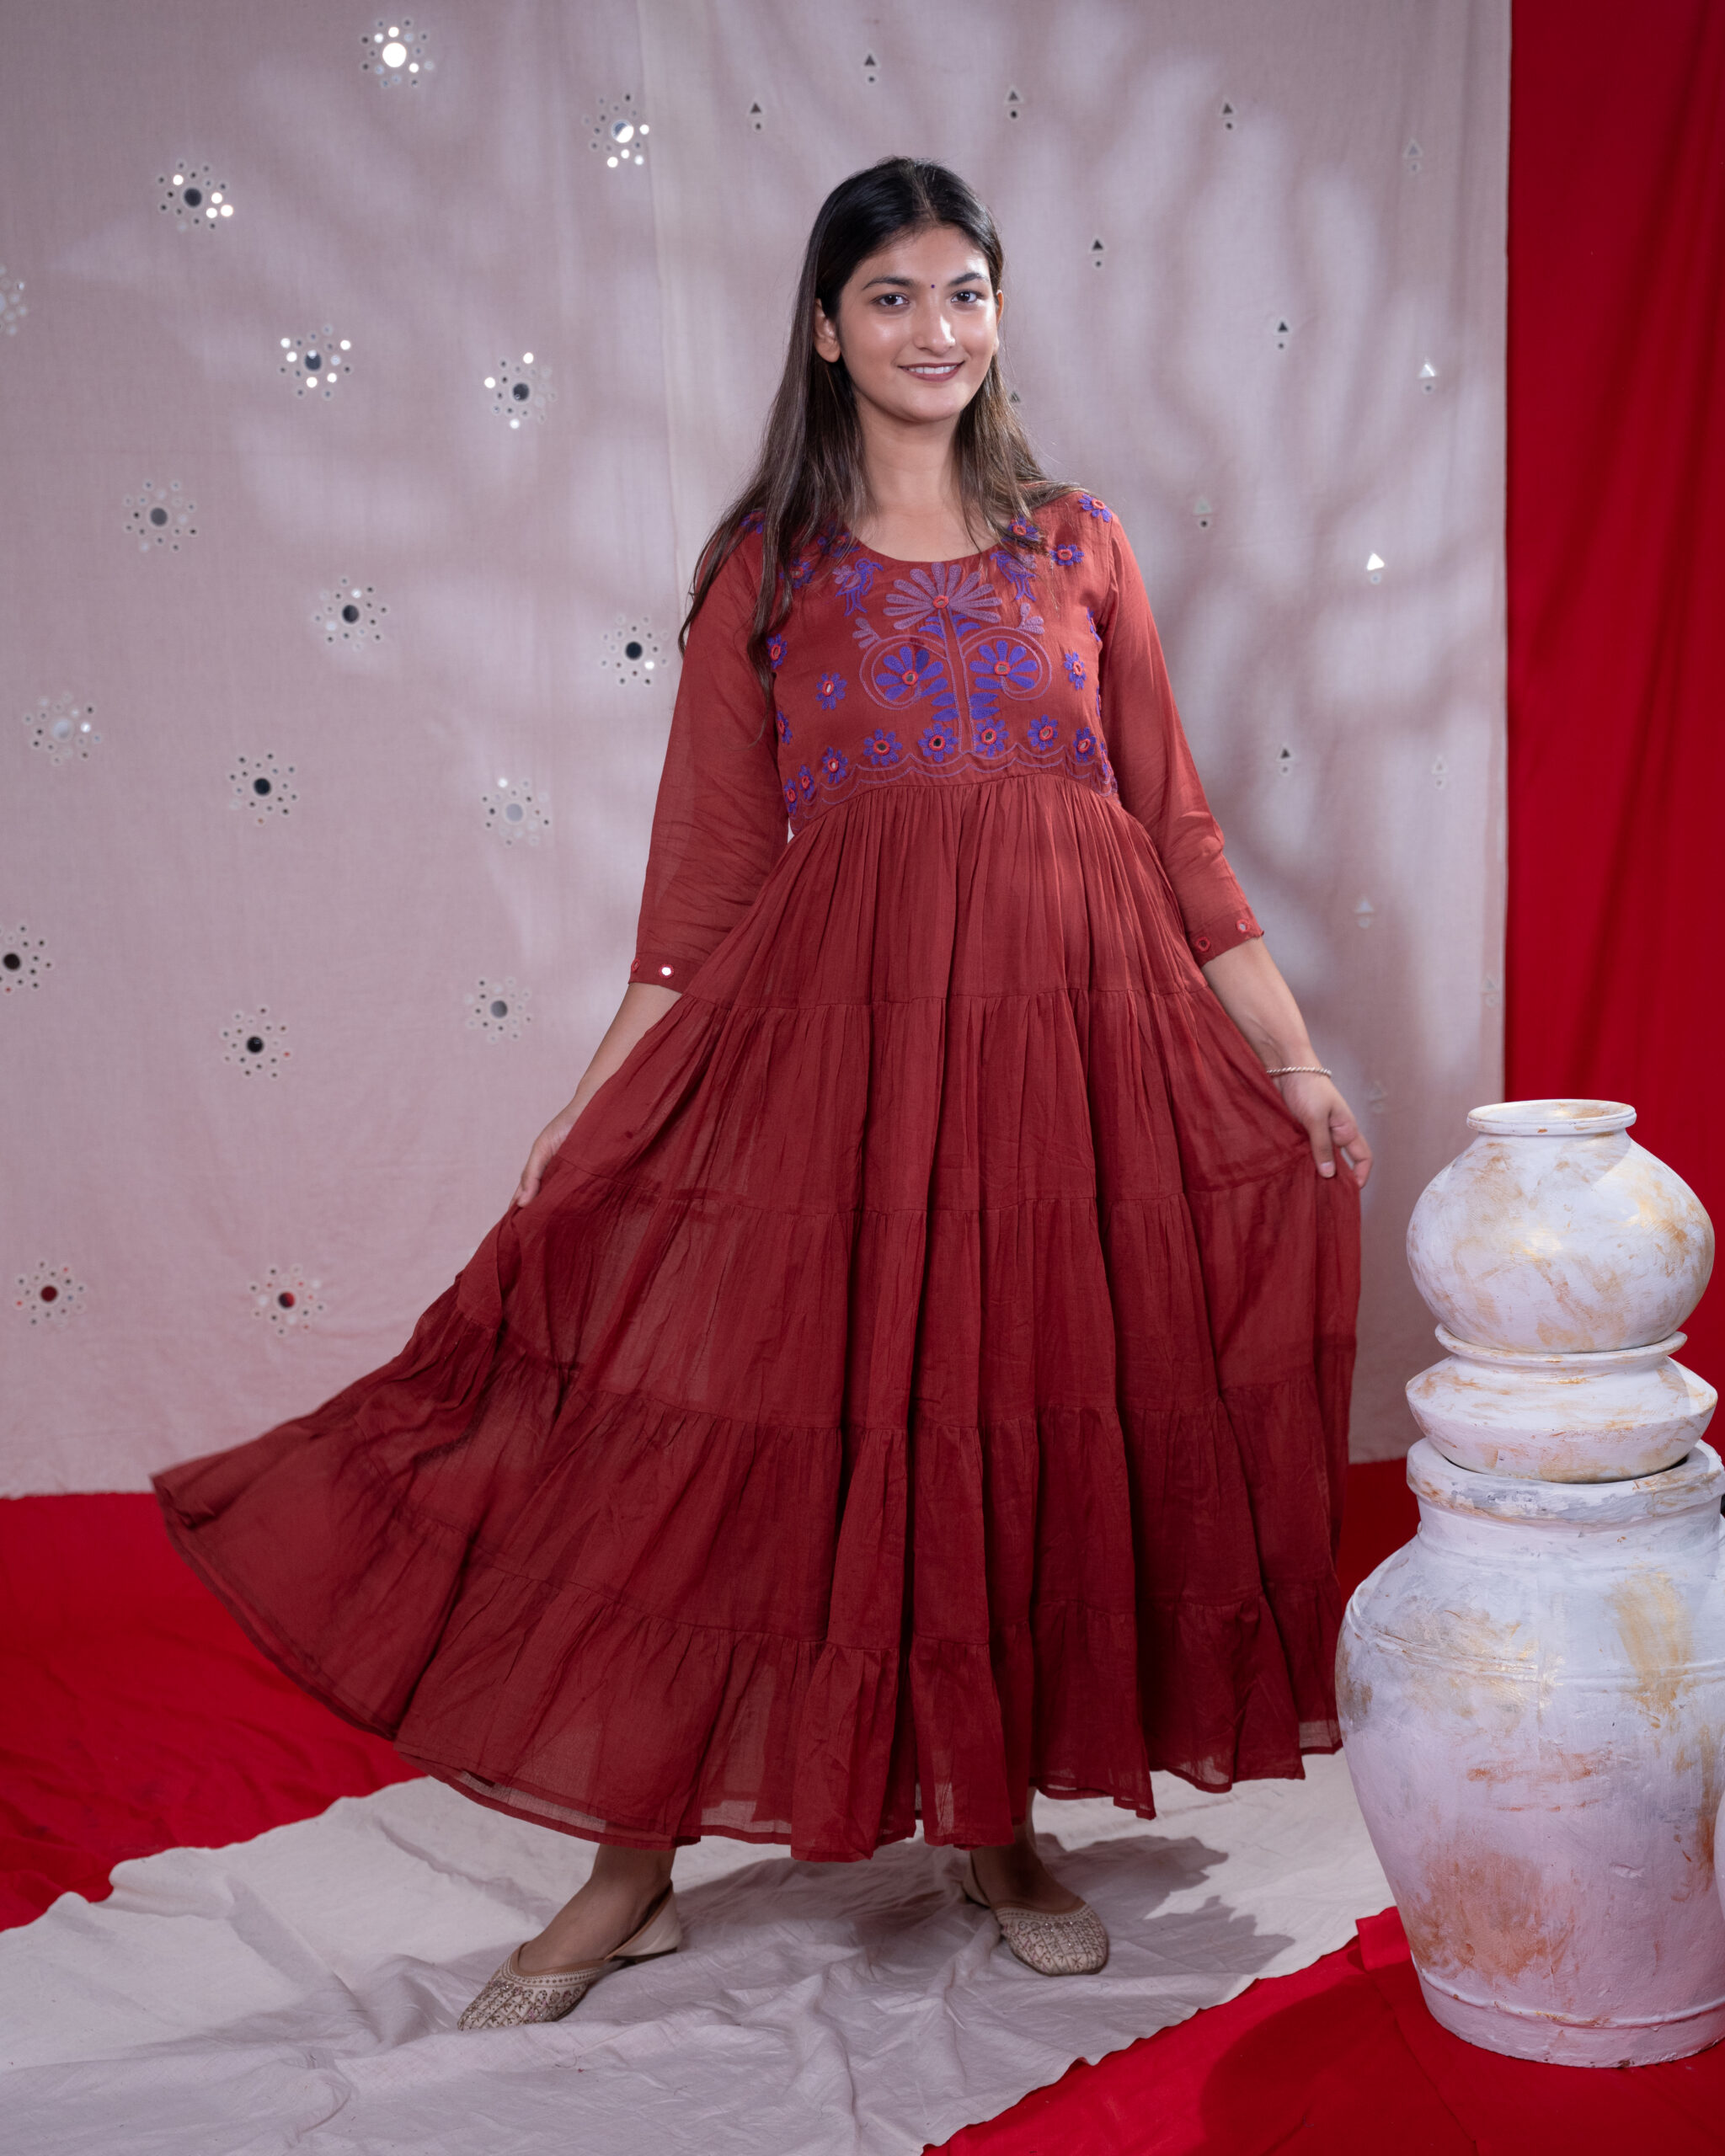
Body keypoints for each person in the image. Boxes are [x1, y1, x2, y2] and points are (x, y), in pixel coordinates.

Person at [152, 156, 1369, 2033]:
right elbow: (700, 894)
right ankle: (630, 1864)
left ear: (998, 317)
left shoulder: (1078, 546)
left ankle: (998, 1833)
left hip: (1069, 1075)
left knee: (1017, 1418)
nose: (935, 329)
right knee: (750, 1441)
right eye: (891, 295)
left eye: (964, 292)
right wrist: (594, 1108)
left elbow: (1178, 830)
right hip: (841, 1078)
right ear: (823, 328)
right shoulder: (769, 574)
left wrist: (1290, 1057)